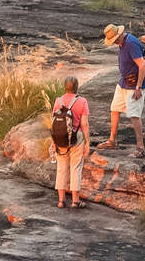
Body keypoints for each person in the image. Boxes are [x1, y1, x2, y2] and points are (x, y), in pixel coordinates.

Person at [98, 23, 145, 156]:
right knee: (114, 109)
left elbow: (142, 66)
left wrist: (138, 87)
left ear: (119, 35)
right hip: (124, 82)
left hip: (135, 85)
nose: (113, 43)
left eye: (114, 40)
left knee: (134, 115)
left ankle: (140, 148)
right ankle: (112, 141)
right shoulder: (122, 43)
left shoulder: (130, 43)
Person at [50, 76, 89, 208]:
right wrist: (88, 142)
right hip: (76, 137)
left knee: (61, 169)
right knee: (75, 168)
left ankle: (61, 201)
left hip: (60, 137)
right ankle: (75, 201)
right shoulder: (82, 101)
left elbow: (54, 123)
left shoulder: (58, 101)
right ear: (76, 87)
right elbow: (84, 124)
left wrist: (53, 141)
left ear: (65, 87)